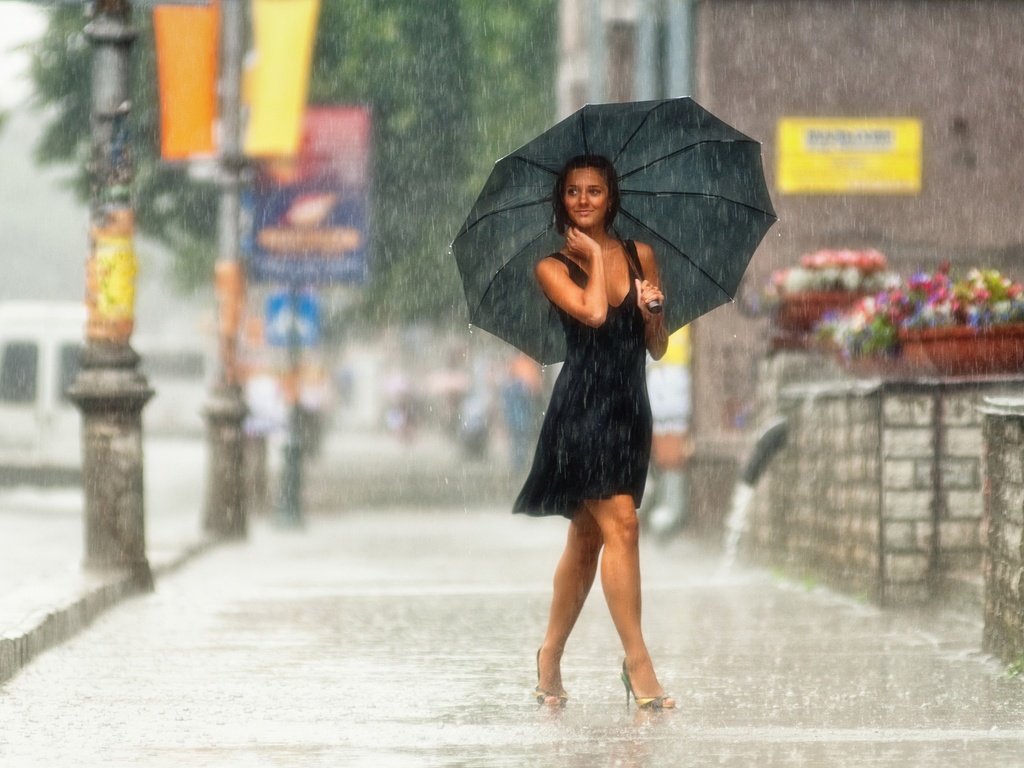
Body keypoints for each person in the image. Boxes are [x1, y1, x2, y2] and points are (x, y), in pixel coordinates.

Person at [512, 154, 674, 710]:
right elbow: (594, 314)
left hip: (630, 407)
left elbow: (656, 347)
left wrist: (654, 309)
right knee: (623, 524)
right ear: (562, 200)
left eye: (595, 191)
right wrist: (591, 259)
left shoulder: (641, 255)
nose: (584, 200)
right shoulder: (553, 265)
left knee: (587, 539)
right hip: (582, 409)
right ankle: (638, 664)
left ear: (611, 197)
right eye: (574, 192)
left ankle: (549, 655)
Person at [642, 326, 695, 540]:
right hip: (657, 371)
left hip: (673, 375)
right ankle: (659, 502)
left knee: (670, 445)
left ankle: (670, 506)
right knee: (657, 443)